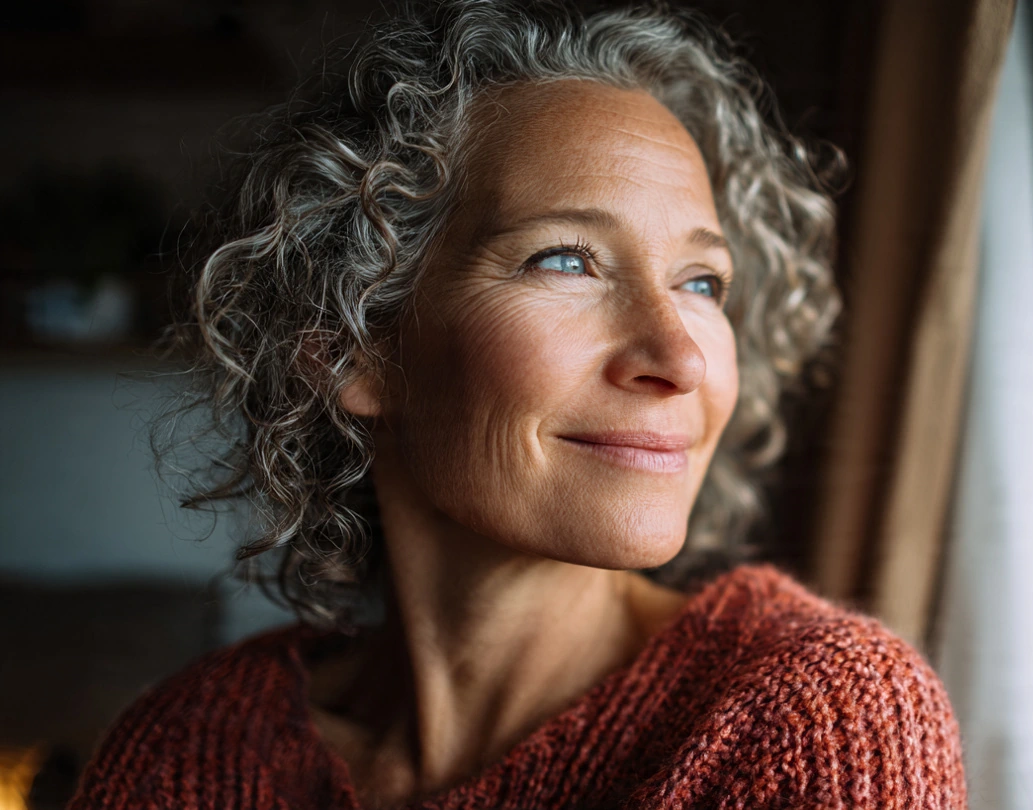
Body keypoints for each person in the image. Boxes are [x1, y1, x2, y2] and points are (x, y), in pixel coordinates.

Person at [68, 1, 966, 808]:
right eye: (567, 260)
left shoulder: (813, 720)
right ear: (350, 346)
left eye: (702, 281)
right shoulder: (189, 749)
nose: (681, 358)